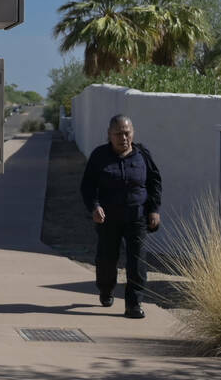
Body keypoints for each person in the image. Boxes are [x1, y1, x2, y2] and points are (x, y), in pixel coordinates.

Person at [79, 114, 162, 319]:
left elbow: (154, 183)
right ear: (109, 134)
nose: (123, 138)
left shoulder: (143, 155)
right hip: (108, 218)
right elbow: (87, 186)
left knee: (137, 261)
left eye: (127, 133)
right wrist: (94, 207)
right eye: (118, 134)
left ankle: (134, 304)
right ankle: (106, 289)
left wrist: (154, 210)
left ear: (132, 133)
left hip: (137, 217)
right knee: (107, 260)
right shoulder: (99, 156)